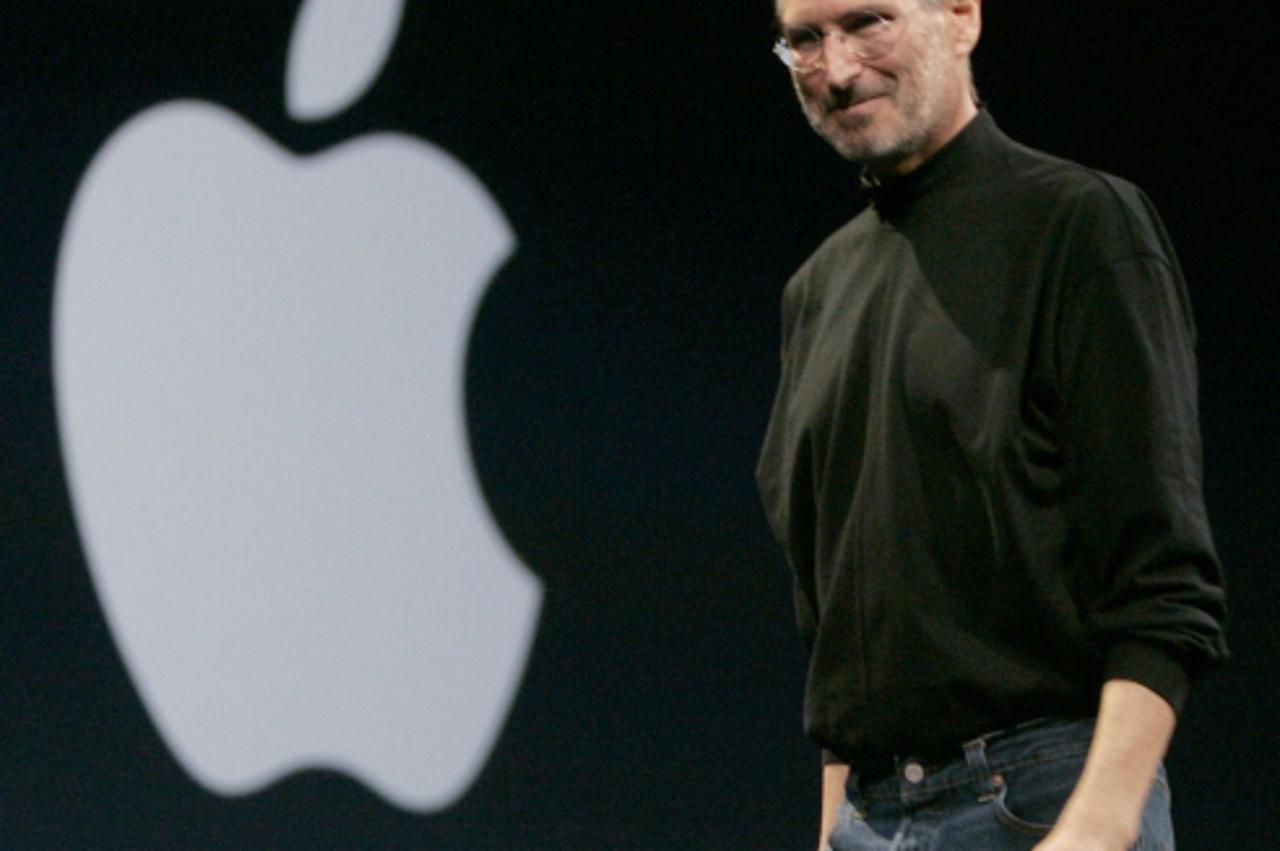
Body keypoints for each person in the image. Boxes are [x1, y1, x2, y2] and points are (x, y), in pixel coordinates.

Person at [754, 1, 1229, 848]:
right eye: (805, 40)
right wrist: (834, 829)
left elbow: (1163, 578)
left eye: (868, 21)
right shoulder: (815, 291)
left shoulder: (1079, 225)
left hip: (1044, 793)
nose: (838, 69)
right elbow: (835, 612)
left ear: (962, 16)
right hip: (873, 815)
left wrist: (1099, 822)